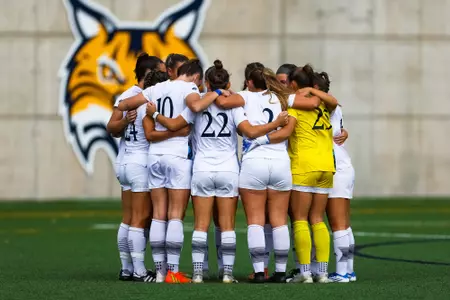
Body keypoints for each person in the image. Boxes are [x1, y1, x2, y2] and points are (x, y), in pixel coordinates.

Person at [146, 60, 290, 284]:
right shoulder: (234, 106)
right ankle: (227, 273)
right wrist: (275, 124)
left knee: (200, 225)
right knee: (227, 225)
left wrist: (155, 116)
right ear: (229, 83)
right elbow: (248, 131)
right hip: (228, 169)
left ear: (204, 83)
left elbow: (176, 124)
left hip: (202, 168)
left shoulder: (197, 105)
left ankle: (197, 273)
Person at [118, 59, 221, 283]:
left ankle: (160, 272)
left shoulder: (156, 88)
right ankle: (172, 272)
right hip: (177, 157)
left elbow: (125, 104)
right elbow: (194, 107)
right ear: (195, 76)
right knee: (175, 215)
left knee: (158, 216)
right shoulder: (189, 88)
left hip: (154, 156)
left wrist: (128, 110)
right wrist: (215, 94)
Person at [214, 67, 294, 283]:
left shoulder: (243, 98)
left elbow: (223, 105)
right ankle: (279, 272)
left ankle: (259, 271)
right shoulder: (282, 98)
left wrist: (223, 92)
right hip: (280, 162)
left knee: (255, 221)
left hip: (254, 162)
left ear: (249, 81)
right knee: (279, 221)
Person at [106, 53, 164, 282]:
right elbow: (116, 126)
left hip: (125, 161)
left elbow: (112, 126)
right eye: (160, 71)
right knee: (141, 218)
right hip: (140, 162)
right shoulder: (146, 98)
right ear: (149, 74)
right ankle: (139, 270)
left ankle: (126, 268)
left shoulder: (127, 96)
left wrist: (124, 121)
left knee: (129, 218)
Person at [313, 73, 356, 283]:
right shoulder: (330, 107)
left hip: (336, 166)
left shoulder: (324, 105)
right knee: (344, 224)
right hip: (343, 165)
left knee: (338, 223)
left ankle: (342, 272)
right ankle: (348, 270)